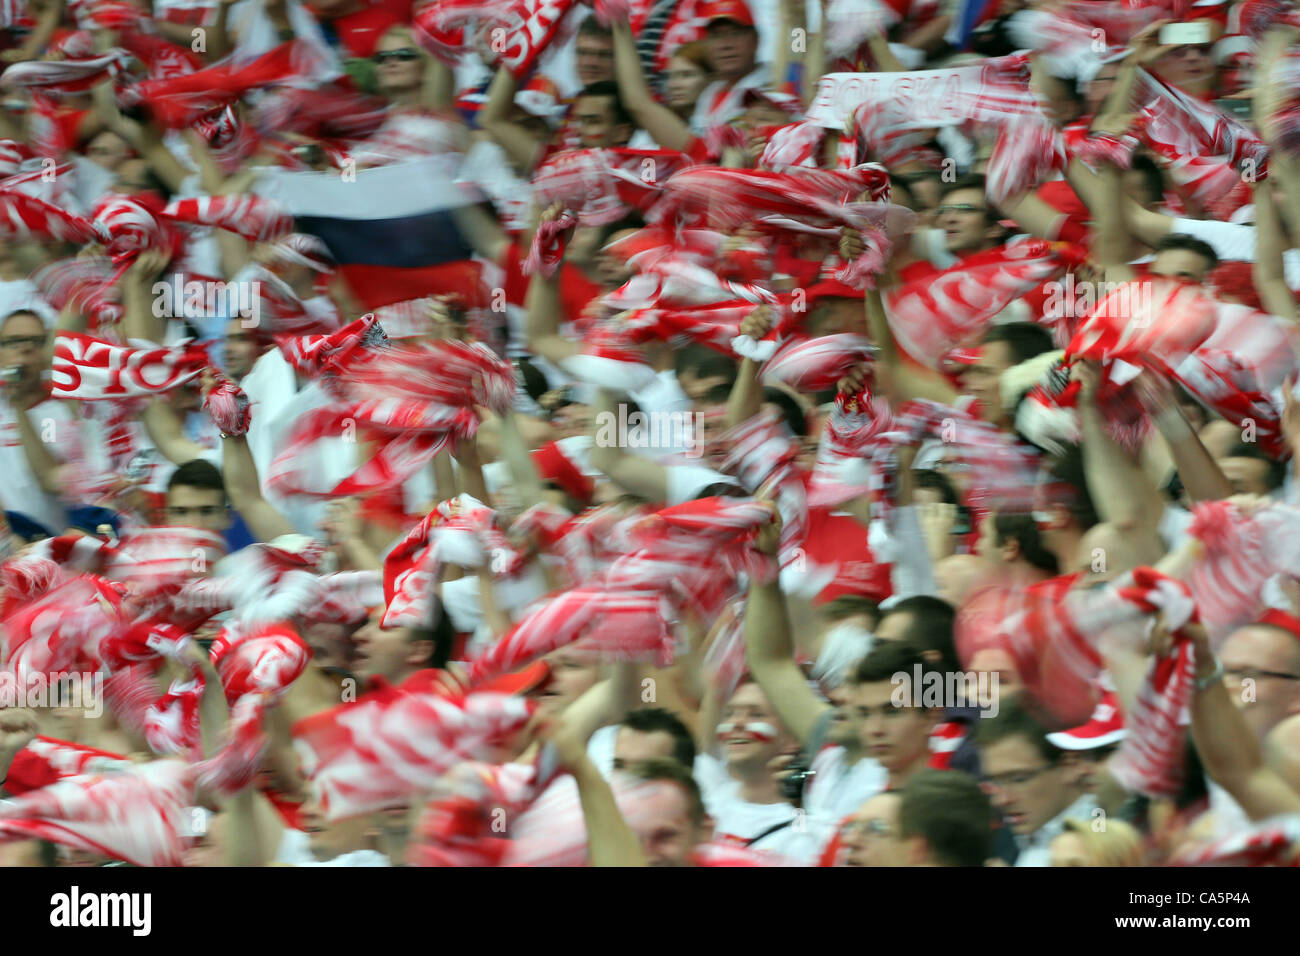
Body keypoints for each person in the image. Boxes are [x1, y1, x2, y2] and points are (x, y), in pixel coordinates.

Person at [975, 699, 1098, 866]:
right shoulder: (1000, 843)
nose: (1001, 800)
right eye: (996, 781)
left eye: (1019, 779)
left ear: (1071, 765)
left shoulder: (1109, 836)